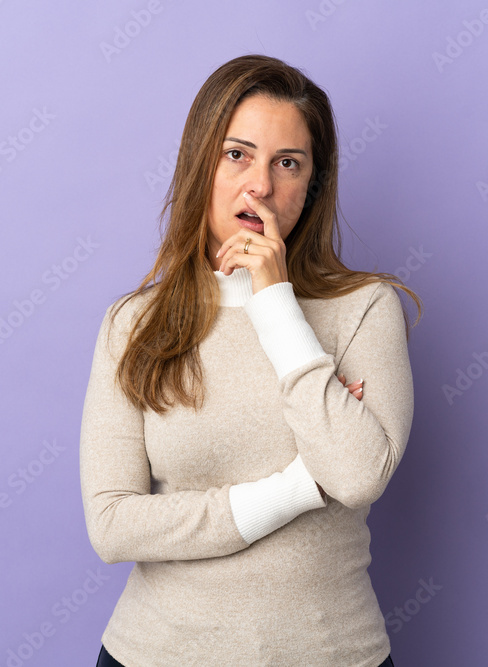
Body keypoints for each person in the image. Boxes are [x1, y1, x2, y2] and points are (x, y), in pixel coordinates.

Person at [80, 53, 421, 666]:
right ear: (200, 164)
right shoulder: (133, 324)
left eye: (287, 163)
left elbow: (358, 476)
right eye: (237, 154)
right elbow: (111, 525)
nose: (260, 185)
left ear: (311, 185)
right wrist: (299, 486)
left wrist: (276, 304)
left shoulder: (365, 308)